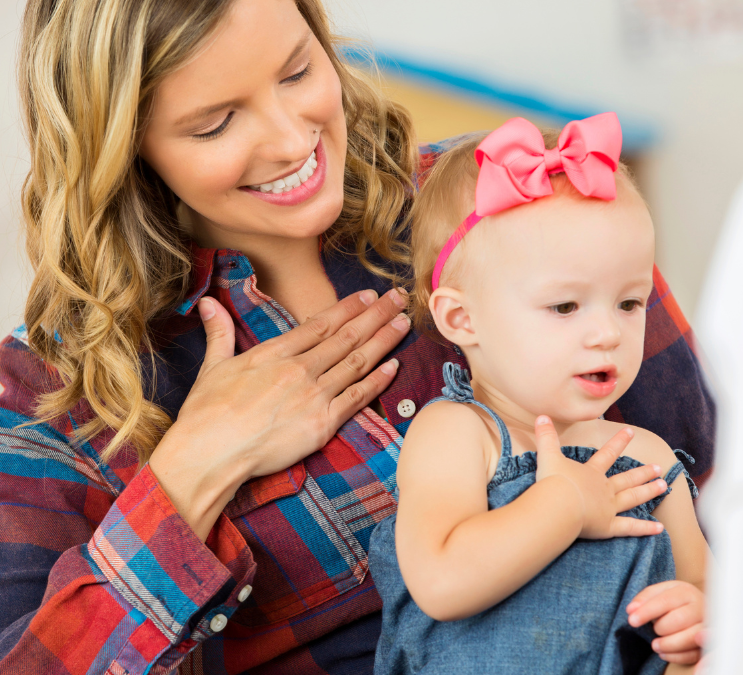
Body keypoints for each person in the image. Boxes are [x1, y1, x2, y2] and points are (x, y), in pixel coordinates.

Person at [0, 0, 714, 672]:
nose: (290, 139)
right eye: (215, 123)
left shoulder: (505, 203)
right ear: (121, 145)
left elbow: (703, 479)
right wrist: (191, 471)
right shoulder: (52, 392)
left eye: (296, 71)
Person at [369, 116, 709, 675]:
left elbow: (704, 581)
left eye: (629, 304)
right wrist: (566, 506)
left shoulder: (647, 457)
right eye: (565, 307)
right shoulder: (460, 433)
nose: (607, 333)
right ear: (462, 318)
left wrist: (696, 616)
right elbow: (441, 582)